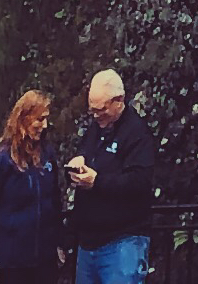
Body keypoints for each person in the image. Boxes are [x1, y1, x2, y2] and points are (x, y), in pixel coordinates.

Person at [64, 71, 159, 284]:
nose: (97, 115)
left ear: (119, 101)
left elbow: (140, 182)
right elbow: (84, 154)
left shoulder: (137, 133)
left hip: (122, 242)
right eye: (93, 110)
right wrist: (77, 163)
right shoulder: (94, 130)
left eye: (102, 109)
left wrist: (98, 182)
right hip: (88, 242)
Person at [0, 94, 59, 284]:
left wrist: (58, 243)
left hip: (44, 260)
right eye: (39, 119)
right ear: (24, 119)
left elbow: (55, 201)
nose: (44, 125)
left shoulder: (47, 154)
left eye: (46, 119)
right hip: (10, 262)